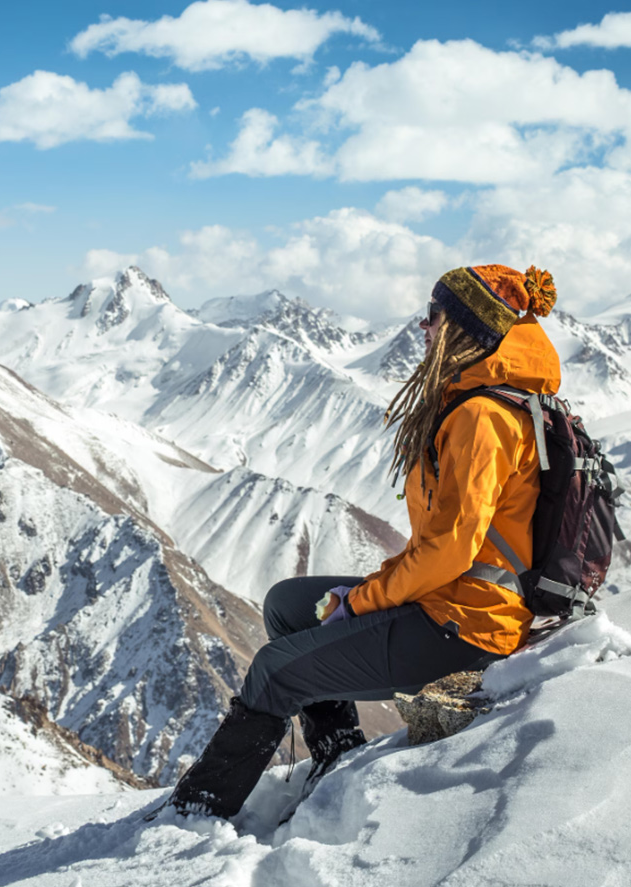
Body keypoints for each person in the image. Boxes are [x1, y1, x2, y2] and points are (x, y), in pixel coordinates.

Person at [164, 263, 561, 819]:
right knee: (288, 605)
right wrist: (373, 591)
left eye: (435, 314)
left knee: (276, 670)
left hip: (469, 626)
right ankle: (334, 758)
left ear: (465, 329)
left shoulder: (481, 416)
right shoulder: (476, 402)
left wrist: (363, 600)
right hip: (448, 601)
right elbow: (447, 544)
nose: (423, 326)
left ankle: (196, 813)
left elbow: (451, 549)